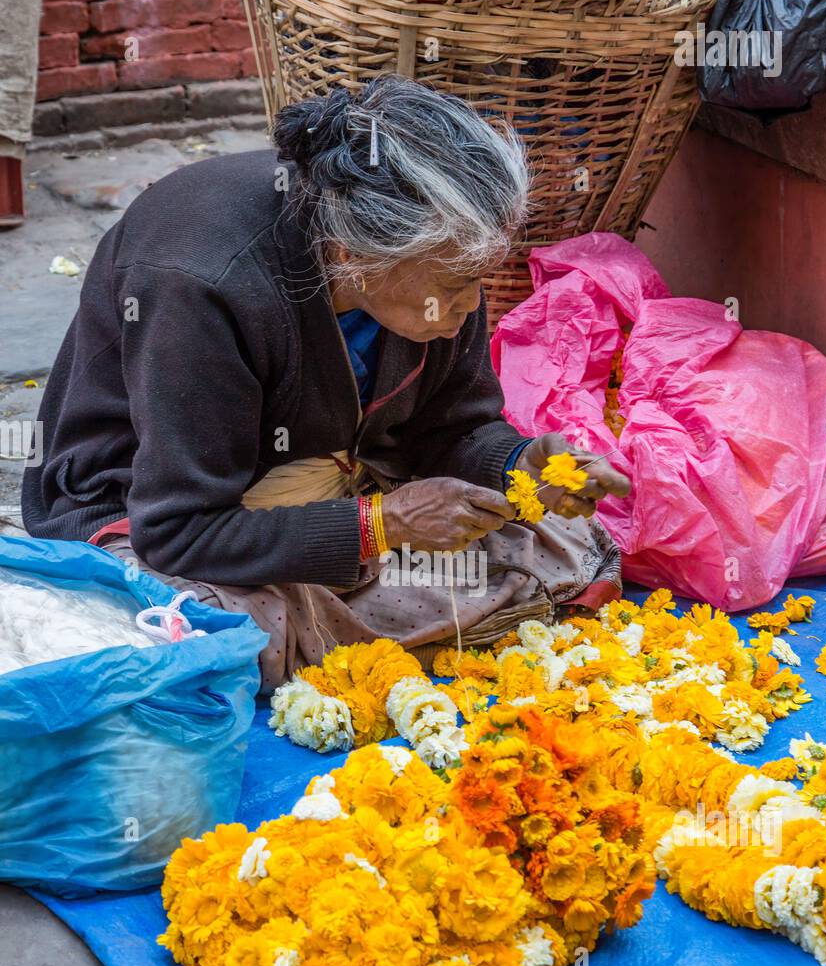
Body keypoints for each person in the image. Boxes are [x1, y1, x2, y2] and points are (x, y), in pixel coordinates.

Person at [23, 76, 629, 689]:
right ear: (354, 255)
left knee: (571, 535)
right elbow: (180, 530)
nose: (471, 304)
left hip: (334, 477)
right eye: (452, 284)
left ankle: (378, 616)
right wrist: (381, 525)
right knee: (222, 633)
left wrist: (523, 462)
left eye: (478, 278)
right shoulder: (202, 284)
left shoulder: (429, 273)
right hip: (160, 509)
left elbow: (453, 426)